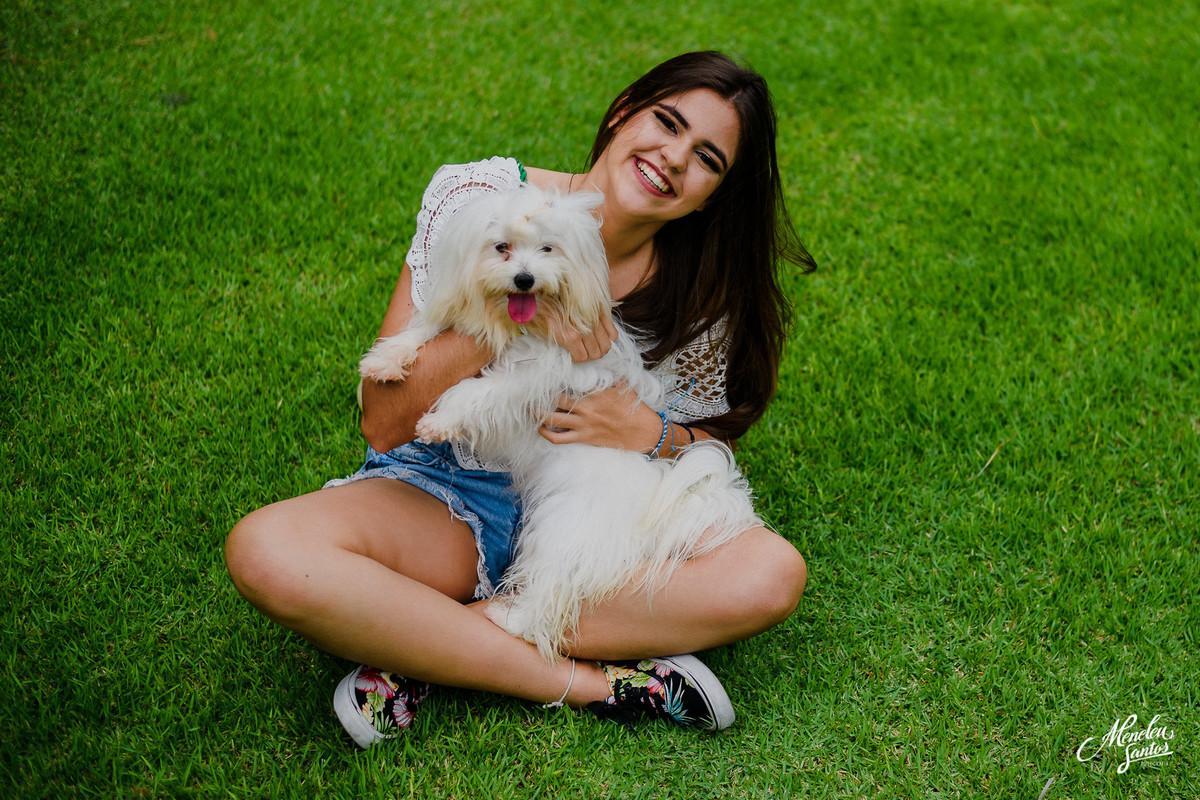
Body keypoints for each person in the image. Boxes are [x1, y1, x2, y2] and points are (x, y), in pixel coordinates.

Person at [225, 50, 814, 748]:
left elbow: (713, 441)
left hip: (588, 513)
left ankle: (427, 647)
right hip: (449, 493)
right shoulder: (483, 199)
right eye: (667, 121)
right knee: (267, 550)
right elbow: (385, 422)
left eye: (707, 157)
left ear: (713, 192)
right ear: (625, 109)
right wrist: (520, 308)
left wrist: (646, 431)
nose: (674, 157)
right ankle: (603, 686)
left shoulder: (698, 288)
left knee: (773, 573)